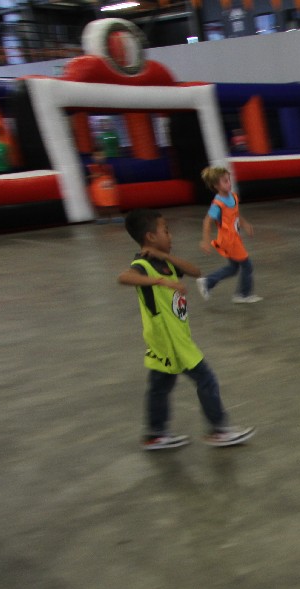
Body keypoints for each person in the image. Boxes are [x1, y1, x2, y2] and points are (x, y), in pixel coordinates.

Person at [118, 208, 255, 450]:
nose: (170, 235)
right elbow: (124, 277)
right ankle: (219, 430)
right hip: (170, 340)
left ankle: (154, 434)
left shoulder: (165, 263)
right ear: (150, 236)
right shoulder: (143, 264)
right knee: (206, 379)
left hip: (172, 337)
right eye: (166, 231)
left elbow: (195, 271)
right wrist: (160, 281)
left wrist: (166, 257)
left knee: (160, 385)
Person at [197, 165, 262, 303]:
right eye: (225, 181)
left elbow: (236, 214)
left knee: (233, 268)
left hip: (234, 238)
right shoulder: (218, 204)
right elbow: (207, 221)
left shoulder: (233, 197)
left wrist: (245, 224)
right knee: (247, 265)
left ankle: (207, 282)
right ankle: (243, 295)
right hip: (229, 240)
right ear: (216, 185)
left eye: (229, 180)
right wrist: (205, 241)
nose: (229, 183)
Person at [88, 149, 121, 223]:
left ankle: (116, 216)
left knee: (112, 203)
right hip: (98, 188)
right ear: (93, 157)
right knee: (100, 204)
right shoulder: (91, 167)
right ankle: (102, 217)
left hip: (109, 187)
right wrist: (93, 176)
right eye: (97, 155)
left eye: (101, 155)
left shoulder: (108, 166)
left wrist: (114, 184)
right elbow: (89, 177)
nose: (99, 157)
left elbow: (112, 176)